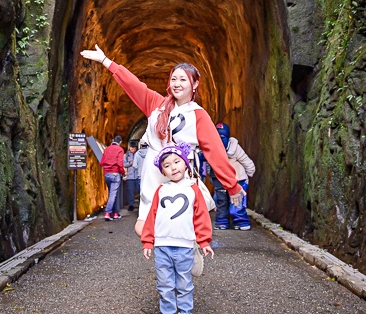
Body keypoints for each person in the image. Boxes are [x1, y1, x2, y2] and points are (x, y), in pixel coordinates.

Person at [79, 44, 245, 235]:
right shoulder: (156, 104)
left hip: (180, 176)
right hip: (154, 175)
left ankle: (186, 258)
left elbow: (215, 153)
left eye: (183, 79)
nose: (177, 83)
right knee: (144, 229)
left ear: (195, 84)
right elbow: (134, 85)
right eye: (174, 79)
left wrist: (232, 185)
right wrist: (106, 61)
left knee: (180, 230)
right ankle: (172, 258)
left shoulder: (198, 115)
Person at [141, 143, 213, 314]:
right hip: (163, 246)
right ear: (162, 171)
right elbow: (152, 216)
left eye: (177, 161)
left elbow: (201, 216)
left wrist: (204, 240)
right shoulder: (161, 190)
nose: (173, 167)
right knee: (164, 284)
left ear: (185, 164)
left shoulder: (193, 189)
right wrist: (148, 240)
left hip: (184, 246)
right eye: (167, 165)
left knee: (184, 283)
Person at [212, 122, 255, 230]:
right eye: (217, 137)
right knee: (221, 202)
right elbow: (209, 163)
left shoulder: (235, 148)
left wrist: (250, 172)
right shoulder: (212, 148)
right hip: (221, 180)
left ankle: (241, 221)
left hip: (238, 180)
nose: (220, 140)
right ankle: (222, 221)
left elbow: (245, 160)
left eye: (222, 137)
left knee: (237, 203)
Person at [99, 135, 126, 220]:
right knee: (113, 194)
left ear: (113, 140)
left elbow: (102, 162)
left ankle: (115, 213)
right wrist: (123, 172)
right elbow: (119, 163)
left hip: (107, 173)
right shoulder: (120, 150)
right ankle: (107, 213)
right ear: (120, 142)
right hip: (115, 173)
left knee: (112, 194)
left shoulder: (106, 149)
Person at [123, 140, 140, 211]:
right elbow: (123, 164)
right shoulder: (126, 155)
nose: (133, 150)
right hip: (130, 176)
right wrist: (130, 163)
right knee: (130, 191)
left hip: (138, 176)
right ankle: (131, 205)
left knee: (140, 190)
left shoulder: (139, 154)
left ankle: (141, 204)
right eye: (131, 148)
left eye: (134, 149)